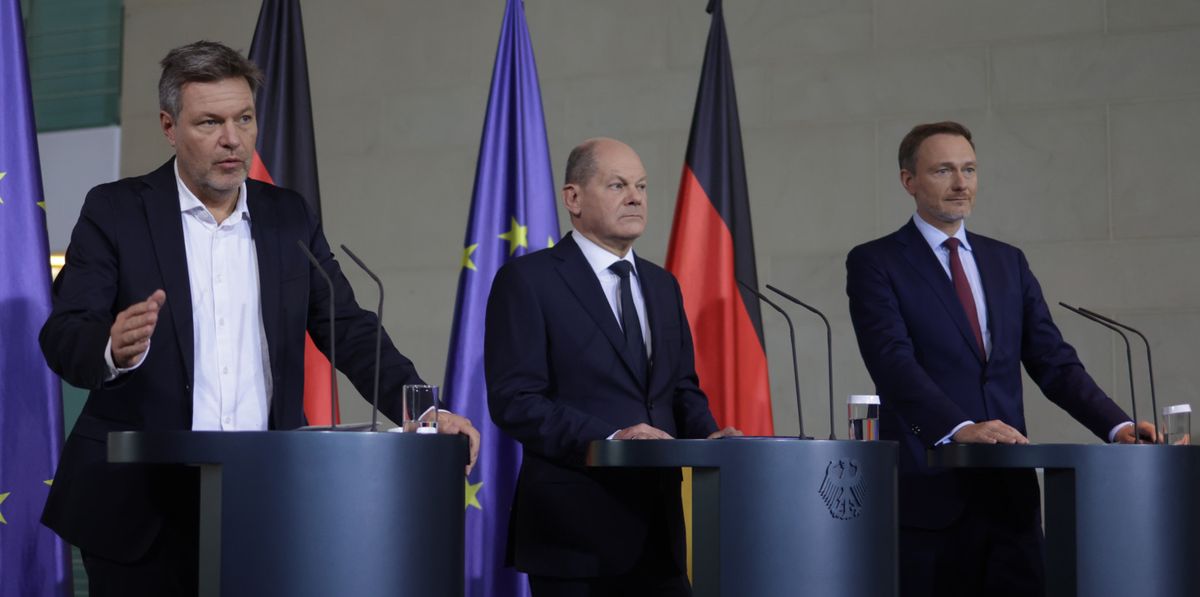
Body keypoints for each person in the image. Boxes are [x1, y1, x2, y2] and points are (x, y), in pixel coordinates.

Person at [39, 41, 479, 596]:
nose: (233, 138)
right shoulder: (116, 210)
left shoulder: (286, 215)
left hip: (266, 498)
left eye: (244, 118)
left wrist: (425, 407)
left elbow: (349, 328)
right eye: (210, 122)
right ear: (169, 126)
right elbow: (63, 332)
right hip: (142, 505)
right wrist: (110, 347)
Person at [845, 120, 1154, 596]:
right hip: (930, 493)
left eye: (969, 169)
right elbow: (892, 363)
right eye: (943, 170)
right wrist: (960, 429)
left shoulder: (1006, 261)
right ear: (909, 181)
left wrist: (1116, 426)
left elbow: (1053, 360)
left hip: (1011, 501)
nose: (960, 183)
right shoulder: (876, 262)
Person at [484, 138, 740, 596]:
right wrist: (609, 440)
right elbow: (515, 400)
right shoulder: (529, 281)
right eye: (618, 185)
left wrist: (708, 436)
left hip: (659, 538)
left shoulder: (663, 286)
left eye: (641, 186)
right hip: (574, 537)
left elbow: (680, 388)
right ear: (573, 198)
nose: (636, 197)